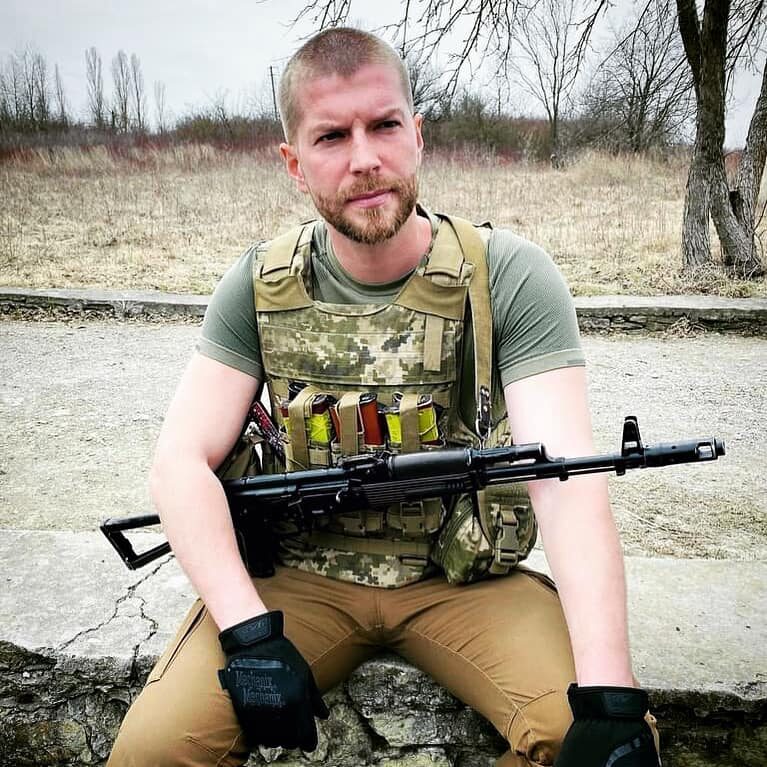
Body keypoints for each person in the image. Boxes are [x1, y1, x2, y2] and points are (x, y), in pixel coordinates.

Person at [108, 27, 661, 767]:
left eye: (384, 125)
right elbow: (179, 462)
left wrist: (608, 692)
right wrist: (248, 632)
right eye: (331, 136)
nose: (364, 158)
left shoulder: (508, 276)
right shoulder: (258, 285)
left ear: (417, 135)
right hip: (299, 580)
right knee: (151, 752)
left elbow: (565, 481)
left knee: (600, 745)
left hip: (461, 580)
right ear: (294, 163)